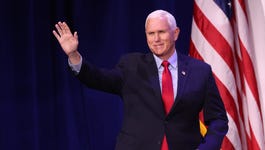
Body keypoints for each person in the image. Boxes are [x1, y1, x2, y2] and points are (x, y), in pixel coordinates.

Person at [53, 10, 228, 150]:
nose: (156, 39)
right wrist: (73, 55)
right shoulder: (131, 65)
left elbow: (218, 119)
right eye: (151, 33)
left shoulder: (200, 71)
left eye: (161, 32)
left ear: (175, 33)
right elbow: (97, 79)